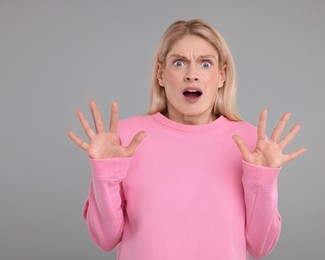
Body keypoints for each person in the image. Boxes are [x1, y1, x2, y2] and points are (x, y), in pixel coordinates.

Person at [68, 19, 306, 260]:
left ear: (221, 76)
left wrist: (262, 181)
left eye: (205, 64)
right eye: (179, 63)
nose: (192, 75)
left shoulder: (249, 143)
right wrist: (105, 174)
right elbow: (105, 239)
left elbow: (260, 247)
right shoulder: (124, 139)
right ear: (161, 74)